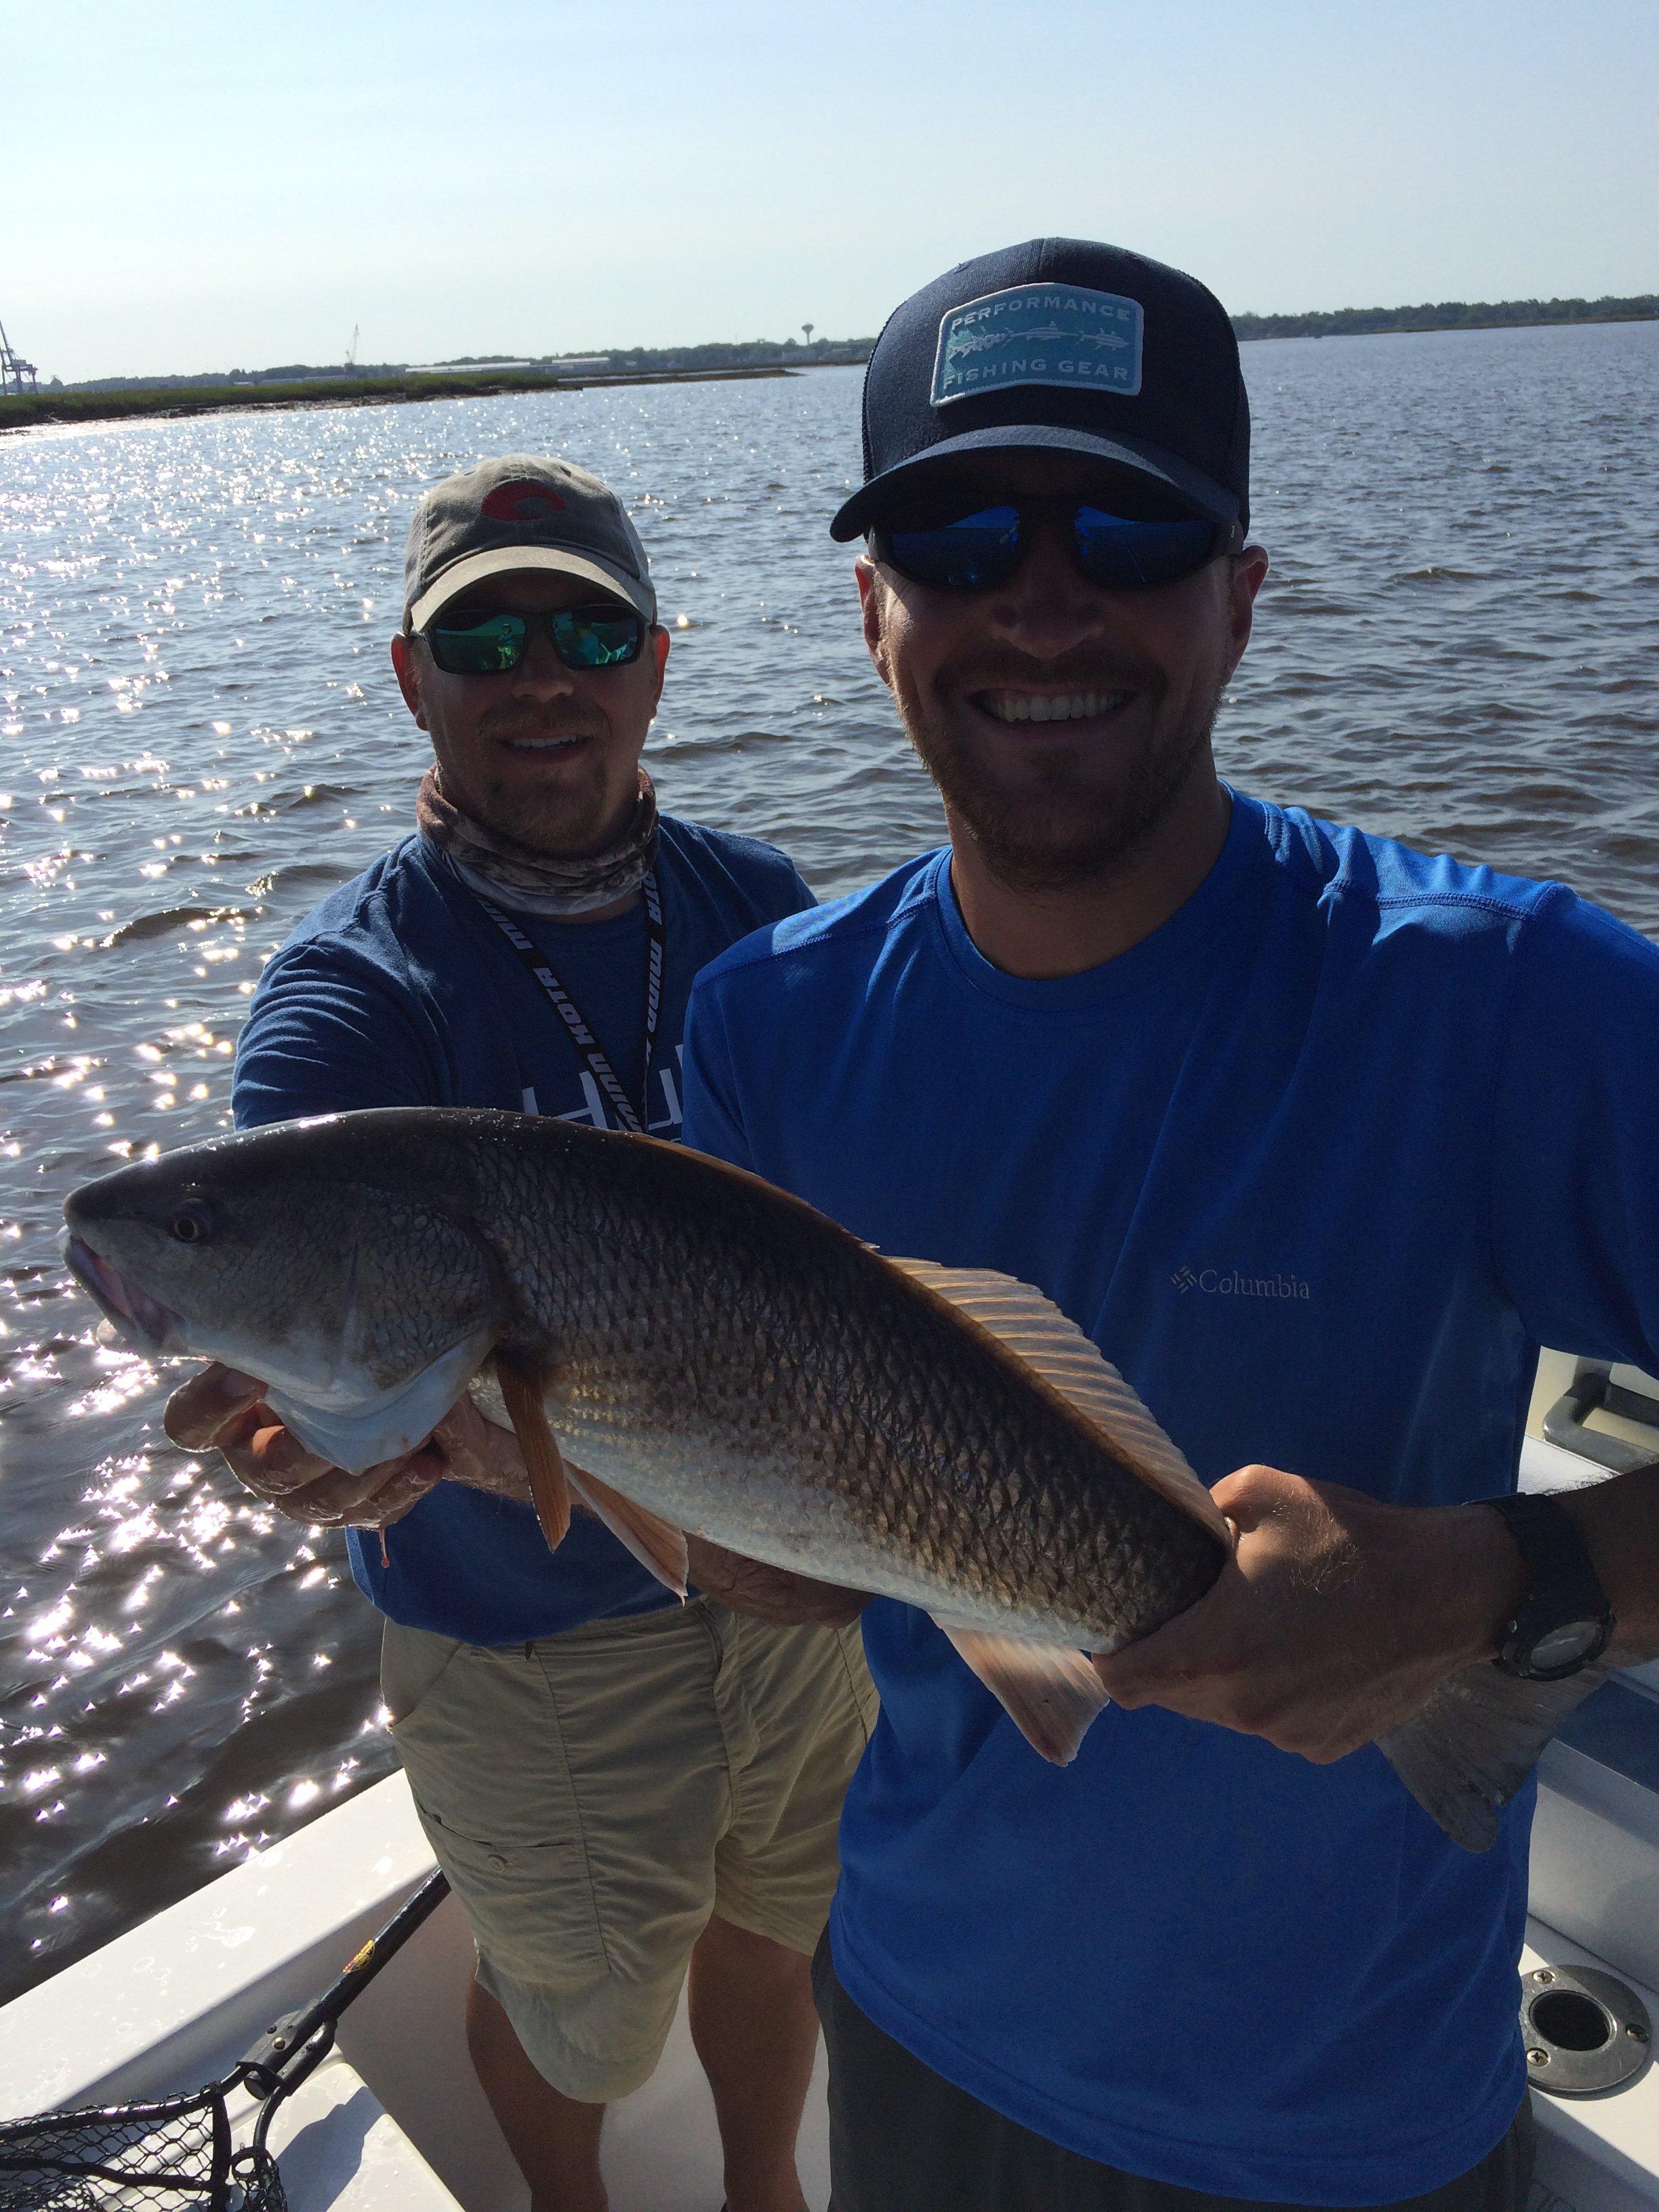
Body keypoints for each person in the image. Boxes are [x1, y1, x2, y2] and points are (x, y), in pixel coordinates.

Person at [674, 240, 1659, 2211]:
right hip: (923, 2032)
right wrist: (488, 1426)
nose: (1045, 596)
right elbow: (777, 1571)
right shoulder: (764, 1025)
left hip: (1349, 2133)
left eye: (1129, 527)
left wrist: (1498, 1586)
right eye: (960, 534)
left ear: (1240, 600)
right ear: (874, 609)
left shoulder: (1508, 998)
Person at [166, 455, 876, 2212]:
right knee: (584, 2031)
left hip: (791, 1584)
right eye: (484, 639)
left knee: (780, 1929)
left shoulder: (762, 909)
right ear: (414, 682)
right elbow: (284, 1329)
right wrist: (302, 1454)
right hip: (543, 1666)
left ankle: (764, 2190)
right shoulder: (354, 1000)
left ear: (653, 659)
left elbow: (874, 1251)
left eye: (585, 626)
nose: (540, 674)